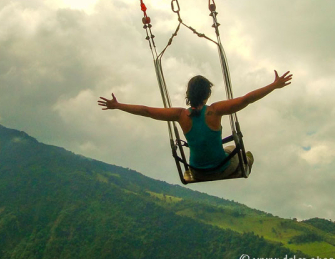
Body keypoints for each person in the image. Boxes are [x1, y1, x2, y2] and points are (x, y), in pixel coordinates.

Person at [98, 70, 292, 181]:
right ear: (207, 94)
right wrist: (273, 85)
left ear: (189, 94)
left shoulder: (180, 115)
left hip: (197, 171)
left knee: (224, 149)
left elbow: (146, 110)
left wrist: (118, 105)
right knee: (236, 150)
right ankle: (246, 164)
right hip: (221, 168)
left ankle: (203, 170)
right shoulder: (214, 111)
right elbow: (246, 99)